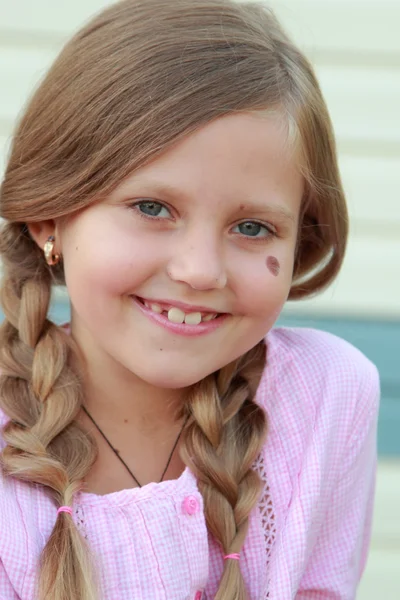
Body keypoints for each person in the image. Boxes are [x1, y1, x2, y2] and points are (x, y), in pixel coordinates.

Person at [0, 1, 379, 599]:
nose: (200, 271)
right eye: (152, 208)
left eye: (252, 227)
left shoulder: (325, 397)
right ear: (50, 218)